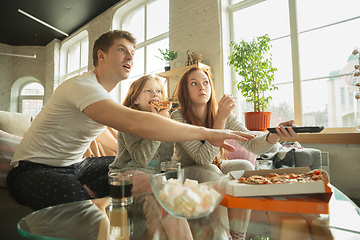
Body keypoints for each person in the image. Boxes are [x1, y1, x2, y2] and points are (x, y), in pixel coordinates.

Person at [7, 30, 254, 211]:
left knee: (128, 170)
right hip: (32, 169)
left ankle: (93, 192)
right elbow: (136, 124)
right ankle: (89, 199)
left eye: (132, 53)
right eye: (122, 50)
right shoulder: (82, 86)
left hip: (76, 166)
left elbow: (109, 142)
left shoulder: (101, 97)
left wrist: (130, 156)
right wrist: (209, 133)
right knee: (71, 195)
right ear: (101, 55)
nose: (130, 57)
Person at [170, 66, 298, 239]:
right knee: (212, 171)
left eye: (206, 82)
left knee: (245, 167)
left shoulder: (222, 114)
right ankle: (222, 235)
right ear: (185, 91)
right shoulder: (179, 117)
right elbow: (202, 158)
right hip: (185, 169)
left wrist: (274, 134)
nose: (202, 87)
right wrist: (221, 119)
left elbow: (252, 144)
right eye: (194, 84)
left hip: (213, 166)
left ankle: (238, 235)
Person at [110, 74, 196, 239]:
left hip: (156, 178)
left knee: (156, 202)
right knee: (163, 192)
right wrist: (158, 122)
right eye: (148, 91)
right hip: (127, 175)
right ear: (135, 99)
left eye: (158, 91)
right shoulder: (128, 121)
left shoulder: (167, 121)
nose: (155, 95)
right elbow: (141, 159)